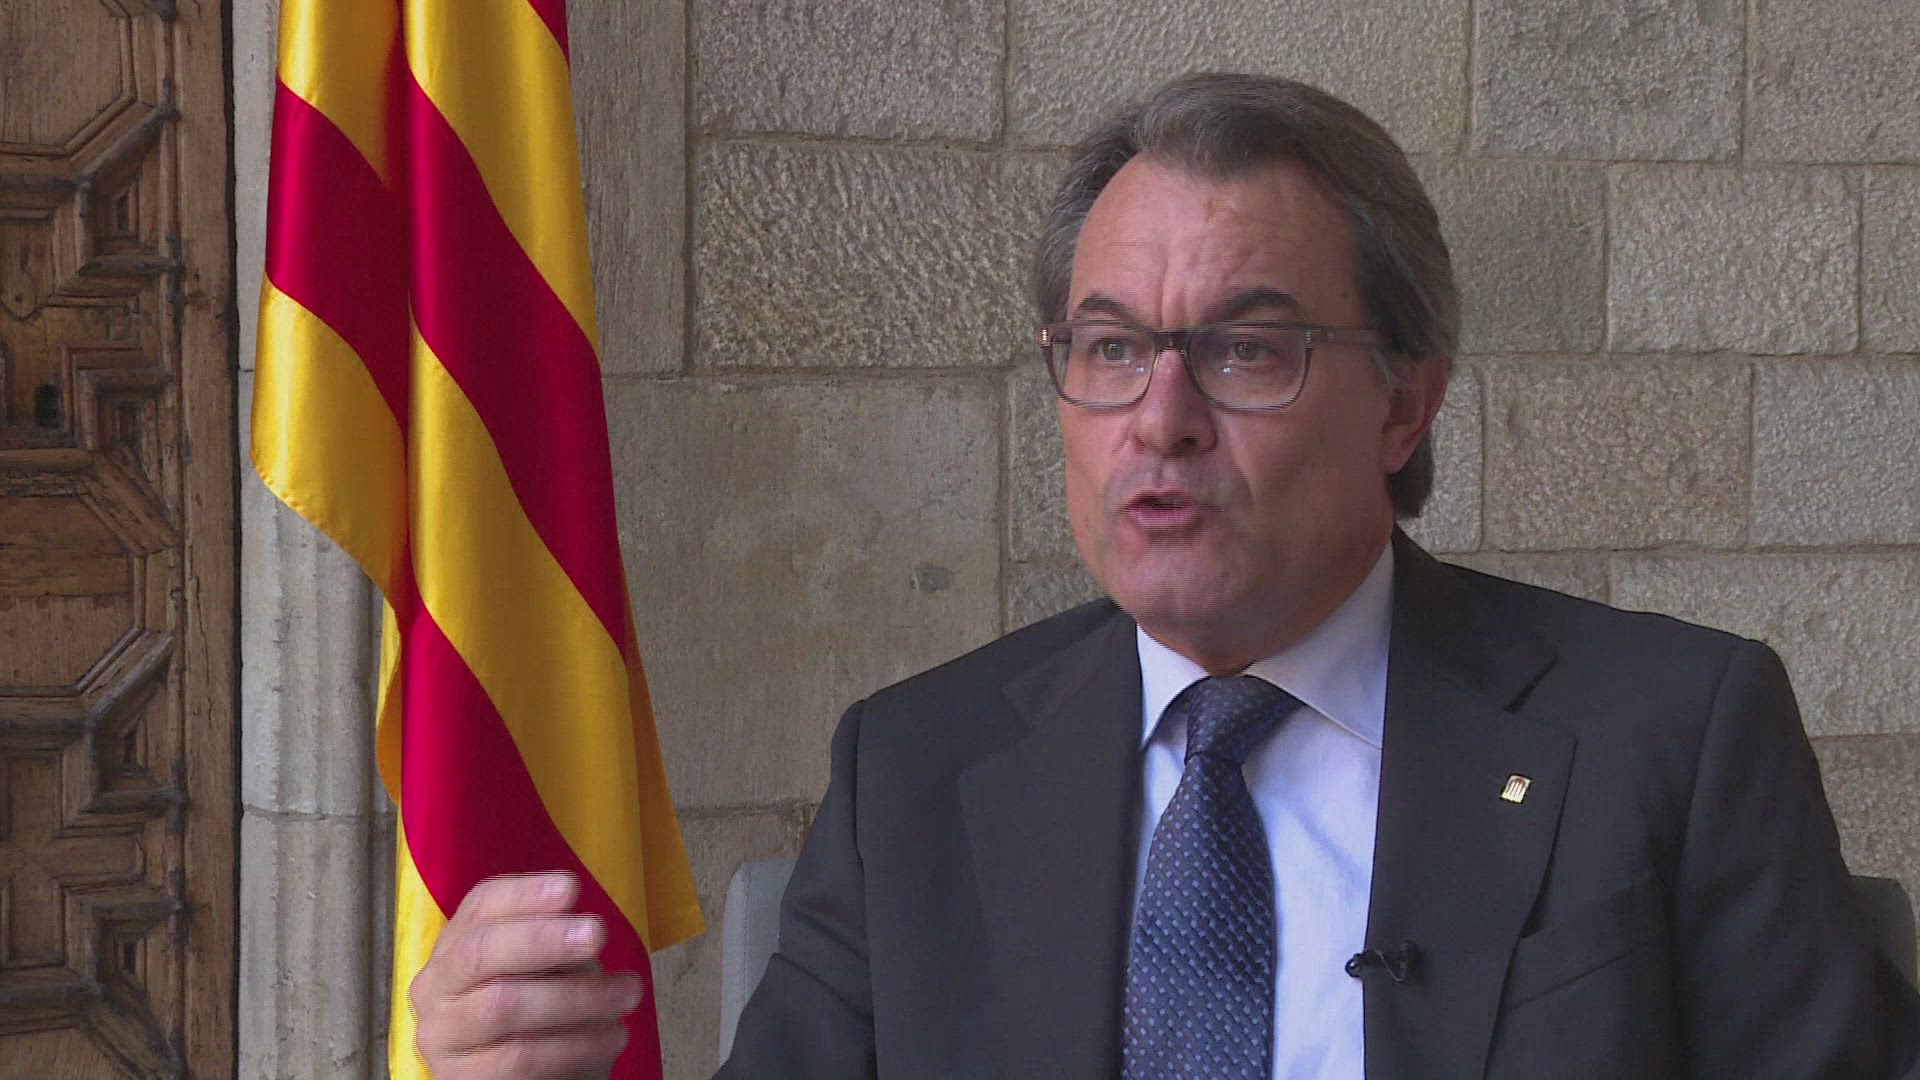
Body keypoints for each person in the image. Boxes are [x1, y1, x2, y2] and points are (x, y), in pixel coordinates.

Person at [407, 73, 1920, 1078]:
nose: (1162, 416)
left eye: (1247, 349)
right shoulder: (915, 772)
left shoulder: (1673, 734)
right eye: (1112, 347)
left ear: (1405, 404)